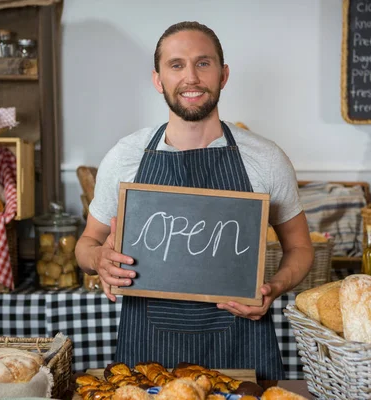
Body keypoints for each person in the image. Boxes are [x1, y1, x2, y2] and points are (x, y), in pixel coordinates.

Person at [75, 21, 314, 380]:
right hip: (147, 355)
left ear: (223, 75)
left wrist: (274, 287)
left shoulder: (265, 159)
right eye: (176, 65)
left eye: (203, 63)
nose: (191, 77)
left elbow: (301, 248)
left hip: (242, 349)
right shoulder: (126, 157)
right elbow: (86, 244)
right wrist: (98, 259)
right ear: (158, 80)